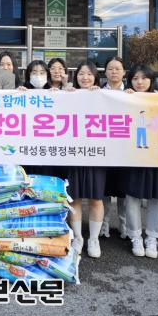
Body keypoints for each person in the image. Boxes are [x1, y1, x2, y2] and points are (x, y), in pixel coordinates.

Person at [123, 64, 158, 259]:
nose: (139, 82)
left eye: (144, 78)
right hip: (132, 157)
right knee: (132, 198)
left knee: (156, 198)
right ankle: (135, 236)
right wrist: (123, 99)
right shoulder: (124, 98)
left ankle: (152, 237)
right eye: (135, 78)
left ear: (151, 80)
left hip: (157, 157)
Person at [66, 60, 106, 258]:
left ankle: (94, 239)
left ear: (95, 77)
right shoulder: (68, 94)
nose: (85, 77)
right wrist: (63, 94)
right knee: (74, 198)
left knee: (96, 198)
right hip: (73, 154)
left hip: (96, 154)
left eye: (89, 74)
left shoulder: (104, 95)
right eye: (81, 73)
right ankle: (78, 238)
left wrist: (102, 95)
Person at [101, 55, 128, 240]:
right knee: (104, 190)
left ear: (124, 72)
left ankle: (124, 225)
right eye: (110, 68)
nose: (114, 72)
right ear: (105, 72)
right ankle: (104, 225)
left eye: (117, 68)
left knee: (124, 191)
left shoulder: (133, 93)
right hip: (103, 150)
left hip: (125, 150)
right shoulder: (97, 92)